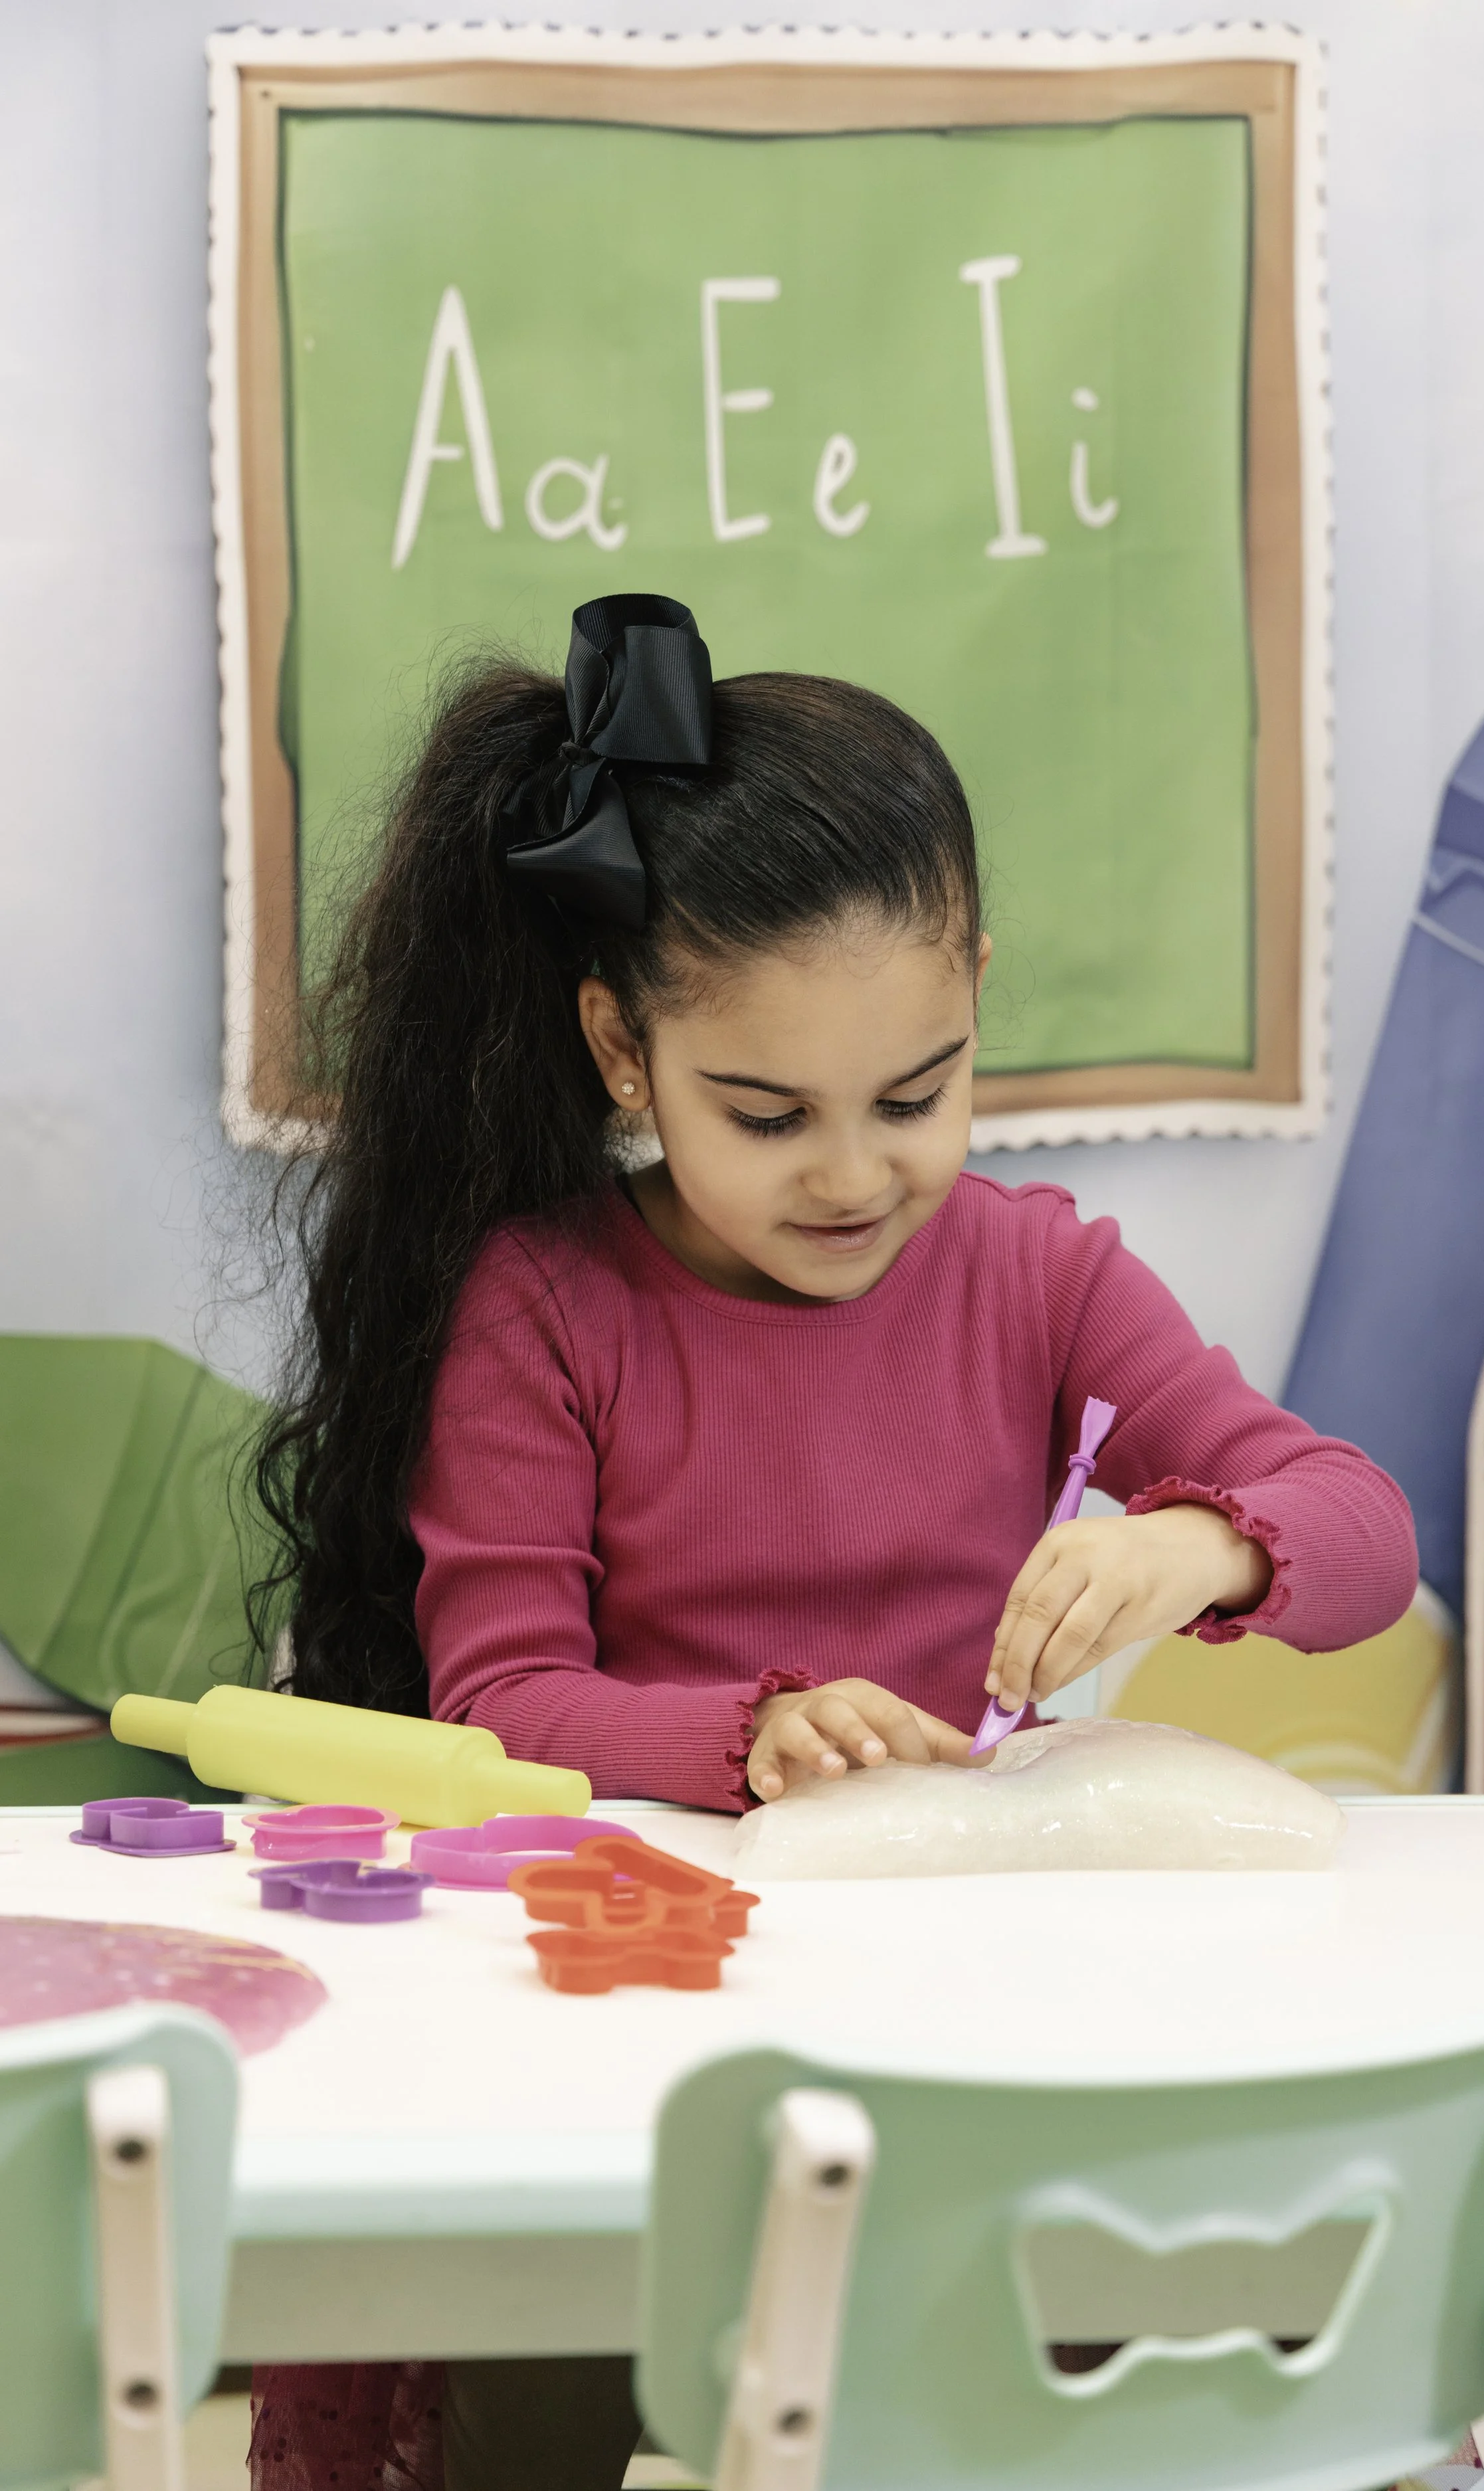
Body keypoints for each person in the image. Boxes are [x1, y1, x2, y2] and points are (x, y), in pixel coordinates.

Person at [248, 593, 1416, 2490]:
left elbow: (1358, 1521)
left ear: (974, 994)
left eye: (918, 1093)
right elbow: (506, 1694)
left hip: (972, 2027)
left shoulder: (1038, 1275)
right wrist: (752, 1733)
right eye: (768, 1113)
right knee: (534, 2383)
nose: (858, 1173)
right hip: (645, 2035)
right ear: (622, 1052)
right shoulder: (549, 1309)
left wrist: (1208, 1544)